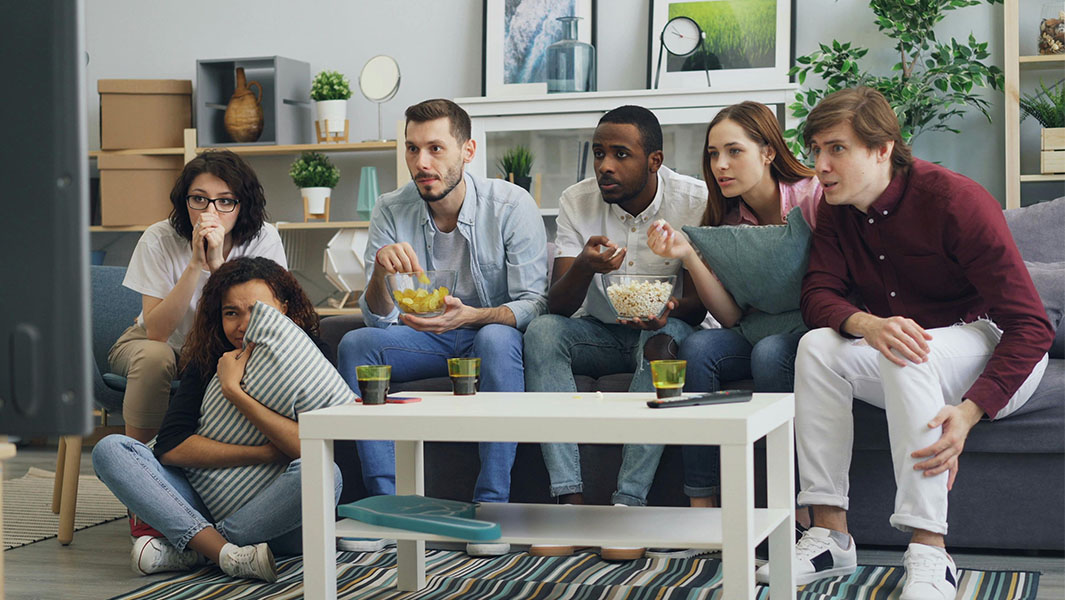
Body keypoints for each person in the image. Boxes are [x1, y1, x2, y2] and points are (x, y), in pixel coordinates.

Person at [755, 87, 1052, 599]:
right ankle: (830, 535)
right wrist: (868, 325)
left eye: (837, 149)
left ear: (882, 148)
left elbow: (1031, 326)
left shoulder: (955, 201)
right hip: (909, 356)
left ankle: (931, 550)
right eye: (816, 150)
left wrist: (969, 413)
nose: (820, 167)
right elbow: (818, 295)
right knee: (817, 347)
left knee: (905, 350)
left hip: (993, 348)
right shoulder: (836, 208)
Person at [337, 98, 548, 557]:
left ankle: (492, 506)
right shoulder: (391, 209)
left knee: (496, 338)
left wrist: (473, 315)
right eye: (412, 149)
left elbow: (534, 303)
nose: (421, 162)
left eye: (435, 148)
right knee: (356, 343)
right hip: (424, 337)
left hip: (488, 335)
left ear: (468, 151)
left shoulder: (510, 205)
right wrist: (379, 273)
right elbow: (379, 317)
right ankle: (388, 506)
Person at [523, 105, 707, 560]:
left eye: (621, 154)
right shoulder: (576, 201)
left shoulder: (695, 201)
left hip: (666, 329)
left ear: (654, 160)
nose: (605, 165)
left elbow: (699, 304)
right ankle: (569, 503)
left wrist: (667, 310)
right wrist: (585, 266)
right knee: (542, 332)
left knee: (661, 341)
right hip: (599, 333)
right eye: (599, 153)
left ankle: (628, 505)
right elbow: (560, 305)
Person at [93, 257, 346, 582]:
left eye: (257, 310)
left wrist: (234, 392)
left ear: (283, 308)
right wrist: (265, 453)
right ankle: (224, 553)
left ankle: (201, 549)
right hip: (203, 499)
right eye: (231, 313)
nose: (244, 325)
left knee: (326, 473)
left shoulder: (311, 355)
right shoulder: (208, 356)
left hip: (279, 521)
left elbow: (311, 448)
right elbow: (171, 448)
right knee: (111, 450)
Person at [646, 101, 822, 512]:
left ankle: (791, 507)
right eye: (713, 154)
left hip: (813, 329)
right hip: (756, 328)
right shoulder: (729, 223)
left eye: (734, 151)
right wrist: (687, 254)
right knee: (697, 348)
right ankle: (702, 504)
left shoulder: (812, 197)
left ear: (768, 152)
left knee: (770, 353)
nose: (720, 165)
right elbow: (730, 317)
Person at [109, 150, 287, 445]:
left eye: (225, 201)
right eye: (199, 199)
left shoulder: (264, 238)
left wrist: (217, 265)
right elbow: (157, 332)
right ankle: (138, 460)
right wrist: (196, 263)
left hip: (228, 343)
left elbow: (265, 321)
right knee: (155, 358)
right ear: (185, 201)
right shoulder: (159, 238)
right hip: (160, 344)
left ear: (242, 204)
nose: (210, 212)